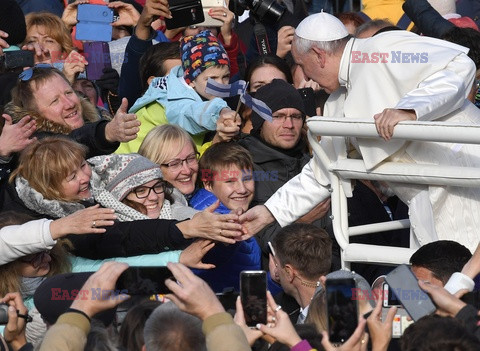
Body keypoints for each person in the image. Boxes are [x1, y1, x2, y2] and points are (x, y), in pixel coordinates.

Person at [239, 12, 480, 253]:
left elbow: (460, 64)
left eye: (302, 65)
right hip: (424, 203)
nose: (306, 76)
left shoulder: (381, 48)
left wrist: (410, 110)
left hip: (465, 179)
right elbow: (323, 170)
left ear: (319, 56)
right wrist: (270, 211)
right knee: (439, 282)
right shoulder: (336, 102)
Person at [2, 137, 244, 259]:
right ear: (50, 187)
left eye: (82, 165)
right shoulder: (40, 218)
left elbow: (169, 204)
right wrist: (184, 230)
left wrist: (204, 221)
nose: (85, 177)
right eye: (71, 176)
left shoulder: (102, 173)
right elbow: (122, 236)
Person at [236, 79, 330, 267]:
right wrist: (303, 220)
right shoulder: (243, 166)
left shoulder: (312, 162)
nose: (289, 124)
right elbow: (256, 238)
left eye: (296, 116)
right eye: (278, 116)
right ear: (259, 121)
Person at [129, 30, 240, 149]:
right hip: (135, 162)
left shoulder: (186, 87)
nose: (220, 85)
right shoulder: (173, 98)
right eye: (212, 78)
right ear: (191, 80)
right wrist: (222, 112)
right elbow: (190, 112)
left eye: (226, 77)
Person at [4, 65, 140, 160]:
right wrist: (106, 133)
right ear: (34, 114)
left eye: (69, 92)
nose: (69, 104)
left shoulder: (99, 116)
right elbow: (66, 144)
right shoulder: (30, 145)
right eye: (55, 101)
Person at [189, 142, 261, 292]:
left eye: (247, 178)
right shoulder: (204, 219)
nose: (242, 189)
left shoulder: (238, 213)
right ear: (208, 184)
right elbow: (212, 254)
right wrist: (227, 237)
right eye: (230, 181)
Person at [270, 223, 332, 324]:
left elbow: (314, 340)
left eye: (277, 264)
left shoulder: (329, 321)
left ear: (289, 272)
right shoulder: (342, 303)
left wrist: (277, 339)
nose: (276, 272)